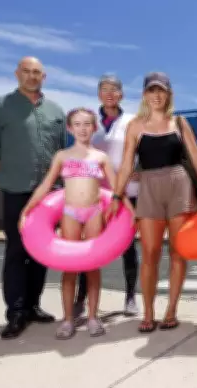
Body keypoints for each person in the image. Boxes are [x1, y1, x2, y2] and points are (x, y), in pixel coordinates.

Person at [105, 72, 197, 333]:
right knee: (149, 254)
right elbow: (128, 164)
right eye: (152, 91)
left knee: (178, 252)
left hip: (179, 184)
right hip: (149, 187)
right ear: (144, 95)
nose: (156, 95)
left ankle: (171, 310)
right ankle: (149, 312)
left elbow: (195, 156)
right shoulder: (136, 126)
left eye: (161, 90)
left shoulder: (179, 121)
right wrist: (117, 195)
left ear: (169, 94)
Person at [0, 56, 65, 340]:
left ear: (44, 76)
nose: (31, 76)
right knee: (16, 251)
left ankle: (32, 306)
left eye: (37, 72)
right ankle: (15, 312)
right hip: (16, 189)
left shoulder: (55, 111)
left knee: (40, 252)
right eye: (26, 71)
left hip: (49, 194)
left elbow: (61, 150)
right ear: (17, 74)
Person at [18, 108, 126, 339]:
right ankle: (68, 319)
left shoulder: (100, 157)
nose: (83, 128)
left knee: (92, 267)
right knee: (70, 268)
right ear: (70, 128)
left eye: (87, 124)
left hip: (94, 212)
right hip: (70, 213)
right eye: (77, 124)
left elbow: (117, 188)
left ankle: (93, 317)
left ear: (94, 128)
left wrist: (131, 212)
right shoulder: (62, 156)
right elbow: (46, 185)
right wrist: (26, 210)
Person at [74, 74, 140, 319]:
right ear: (99, 94)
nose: (110, 93)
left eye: (115, 89)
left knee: (127, 246)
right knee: (89, 245)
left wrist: (140, 170)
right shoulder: (89, 122)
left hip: (127, 193)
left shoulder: (133, 120)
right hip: (95, 194)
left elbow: (142, 150)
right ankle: (81, 298)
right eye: (105, 89)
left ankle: (131, 296)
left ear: (122, 94)